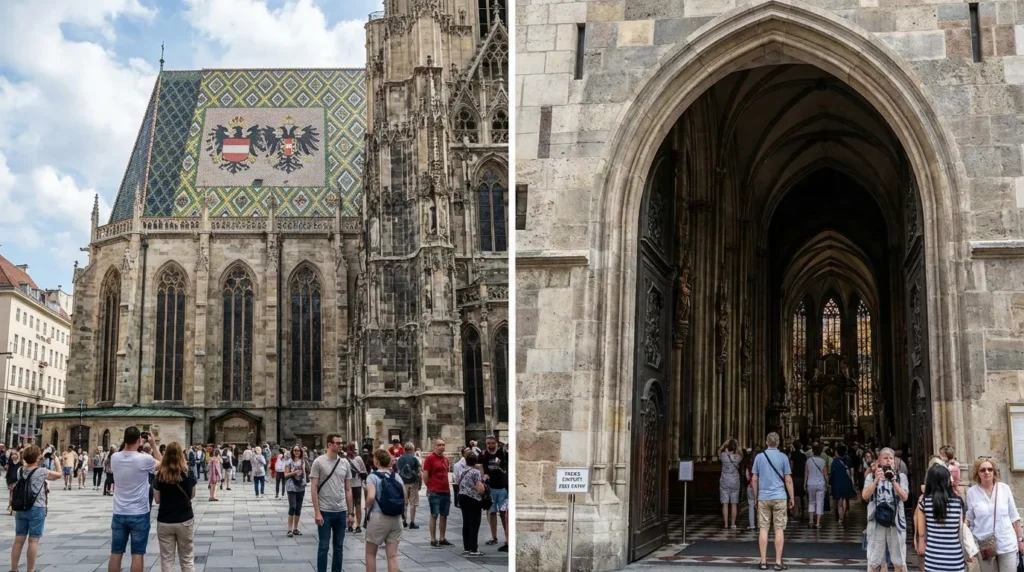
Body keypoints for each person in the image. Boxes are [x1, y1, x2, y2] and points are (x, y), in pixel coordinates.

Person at [108, 428, 163, 572]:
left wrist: (136, 444)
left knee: (116, 552)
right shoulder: (144, 459)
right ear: (139, 440)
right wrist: (152, 444)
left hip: (119, 512)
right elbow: (162, 463)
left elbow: (123, 452)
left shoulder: (115, 457)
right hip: (139, 512)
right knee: (137, 553)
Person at [10, 445, 62, 572]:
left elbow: (28, 467)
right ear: (37, 457)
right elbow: (58, 475)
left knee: (19, 540)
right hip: (37, 508)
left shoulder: (20, 471)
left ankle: (14, 569)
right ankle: (30, 570)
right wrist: (56, 461)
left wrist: (37, 460)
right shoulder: (42, 471)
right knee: (33, 541)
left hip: (21, 508)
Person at [966, 457, 1024, 572]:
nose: (987, 472)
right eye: (982, 470)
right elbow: (970, 519)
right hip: (984, 543)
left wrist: (1020, 540)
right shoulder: (971, 492)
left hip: (1006, 542)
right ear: (977, 473)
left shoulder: (1004, 489)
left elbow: (1014, 516)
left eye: (990, 469)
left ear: (994, 472)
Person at [750, 432, 794, 571]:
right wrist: (792, 497)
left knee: (763, 528)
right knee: (779, 528)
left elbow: (754, 479)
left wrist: (756, 496)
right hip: (780, 496)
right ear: (779, 442)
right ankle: (778, 562)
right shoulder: (783, 457)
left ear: (766, 442)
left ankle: (763, 561)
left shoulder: (759, 457)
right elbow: (788, 479)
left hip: (763, 496)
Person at [914, 464, 971, 571]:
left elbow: (921, 532)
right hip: (955, 558)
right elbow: (961, 527)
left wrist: (921, 542)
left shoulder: (924, 502)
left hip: (933, 557)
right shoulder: (958, 502)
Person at [310, 433, 354, 572]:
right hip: (325, 511)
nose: (341, 445)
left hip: (341, 511)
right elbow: (313, 488)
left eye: (341, 443)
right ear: (329, 444)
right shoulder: (318, 462)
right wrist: (317, 512)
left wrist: (351, 513)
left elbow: (348, 489)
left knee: (339, 547)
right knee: (323, 547)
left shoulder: (345, 462)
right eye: (338, 443)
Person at [863, 447, 909, 572]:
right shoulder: (871, 476)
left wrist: (894, 481)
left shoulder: (900, 477)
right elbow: (865, 496)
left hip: (896, 522)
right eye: (885, 458)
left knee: (898, 558)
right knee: (875, 558)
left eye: (891, 458)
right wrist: (876, 481)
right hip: (877, 521)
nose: (888, 461)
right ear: (879, 460)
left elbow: (904, 497)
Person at [153, 443, 196, 572]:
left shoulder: (159, 475)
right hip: (185, 519)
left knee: (167, 559)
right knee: (187, 559)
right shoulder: (188, 473)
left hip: (165, 520)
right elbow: (192, 495)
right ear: (181, 455)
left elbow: (157, 499)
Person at [365, 449, 403, 572]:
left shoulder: (373, 476)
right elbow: (405, 498)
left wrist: (366, 507)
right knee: (392, 556)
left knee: (371, 553)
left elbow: (371, 497)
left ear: (376, 461)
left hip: (379, 515)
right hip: (396, 518)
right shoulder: (396, 476)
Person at [421, 439, 453, 548]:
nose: (441, 447)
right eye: (439, 445)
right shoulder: (430, 458)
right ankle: (433, 539)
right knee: (434, 514)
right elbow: (425, 474)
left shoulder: (446, 459)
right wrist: (429, 487)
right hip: (435, 490)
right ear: (435, 446)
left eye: (443, 445)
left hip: (445, 490)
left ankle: (442, 538)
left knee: (444, 515)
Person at [456, 452, 487, 557]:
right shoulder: (475, 472)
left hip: (462, 497)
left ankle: (467, 547)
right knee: (474, 523)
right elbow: (480, 488)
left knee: (466, 523)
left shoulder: (461, 470)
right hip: (473, 498)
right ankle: (474, 548)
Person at [481, 436, 509, 551]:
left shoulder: (502, 453)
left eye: (492, 443)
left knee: (504, 514)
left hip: (502, 487)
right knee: (491, 512)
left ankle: (507, 537)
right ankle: (494, 537)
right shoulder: (484, 455)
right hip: (491, 488)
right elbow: (480, 466)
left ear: (496, 443)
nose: (490, 445)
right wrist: (484, 475)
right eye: (488, 443)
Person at [396, 442, 422, 529]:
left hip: (403, 482)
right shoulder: (415, 459)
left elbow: (398, 471)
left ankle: (404, 521)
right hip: (413, 482)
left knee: (404, 503)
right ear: (411, 449)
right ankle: (412, 522)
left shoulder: (400, 459)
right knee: (413, 503)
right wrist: (420, 483)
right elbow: (419, 472)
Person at [718, 438, 743, 530]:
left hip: (724, 481)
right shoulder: (737, 457)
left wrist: (724, 444)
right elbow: (742, 454)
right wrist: (738, 447)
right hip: (735, 481)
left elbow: (718, 451)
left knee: (725, 503)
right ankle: (733, 524)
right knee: (734, 503)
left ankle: (725, 524)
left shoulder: (723, 456)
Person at [285, 444, 307, 537]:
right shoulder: (289, 461)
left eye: (298, 450)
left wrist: (305, 481)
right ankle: (289, 529)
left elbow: (304, 473)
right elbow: (285, 475)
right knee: (292, 507)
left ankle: (295, 529)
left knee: (298, 508)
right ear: (292, 452)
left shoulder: (303, 461)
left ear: (300, 451)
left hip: (301, 486)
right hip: (291, 486)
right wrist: (294, 473)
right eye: (295, 450)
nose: (296, 452)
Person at [804, 443, 828, 529]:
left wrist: (804, 483)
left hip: (810, 483)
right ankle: (817, 523)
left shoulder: (809, 460)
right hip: (820, 483)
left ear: (813, 452)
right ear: (821, 452)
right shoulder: (823, 461)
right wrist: (828, 483)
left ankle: (811, 521)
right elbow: (825, 474)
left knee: (811, 502)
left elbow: (806, 473)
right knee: (819, 503)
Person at [830, 444, 854, 526]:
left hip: (837, 481)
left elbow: (832, 471)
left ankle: (840, 517)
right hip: (846, 480)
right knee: (844, 498)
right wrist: (852, 480)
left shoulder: (835, 460)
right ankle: (843, 515)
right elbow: (851, 471)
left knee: (838, 499)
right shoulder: (848, 459)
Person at [347, 445, 367, 534]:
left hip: (357, 484)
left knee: (358, 505)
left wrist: (360, 473)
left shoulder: (358, 459)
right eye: (349, 449)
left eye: (352, 449)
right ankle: (350, 524)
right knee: (349, 505)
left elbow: (364, 470)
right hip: (348, 485)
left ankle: (358, 524)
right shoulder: (344, 460)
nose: (351, 451)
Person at [789, 440, 806, 519]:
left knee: (794, 495)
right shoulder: (803, 455)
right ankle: (802, 510)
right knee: (801, 495)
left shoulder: (792, 455)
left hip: (794, 476)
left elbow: (791, 465)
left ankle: (795, 512)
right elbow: (805, 466)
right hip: (801, 476)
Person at [6, 450, 22, 516]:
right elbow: (8, 473)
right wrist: (8, 482)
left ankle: (14, 508)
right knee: (11, 495)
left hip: (18, 481)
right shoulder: (10, 463)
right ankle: (11, 508)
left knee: (16, 495)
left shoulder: (20, 463)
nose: (13, 456)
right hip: (11, 481)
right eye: (12, 454)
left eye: (15, 454)